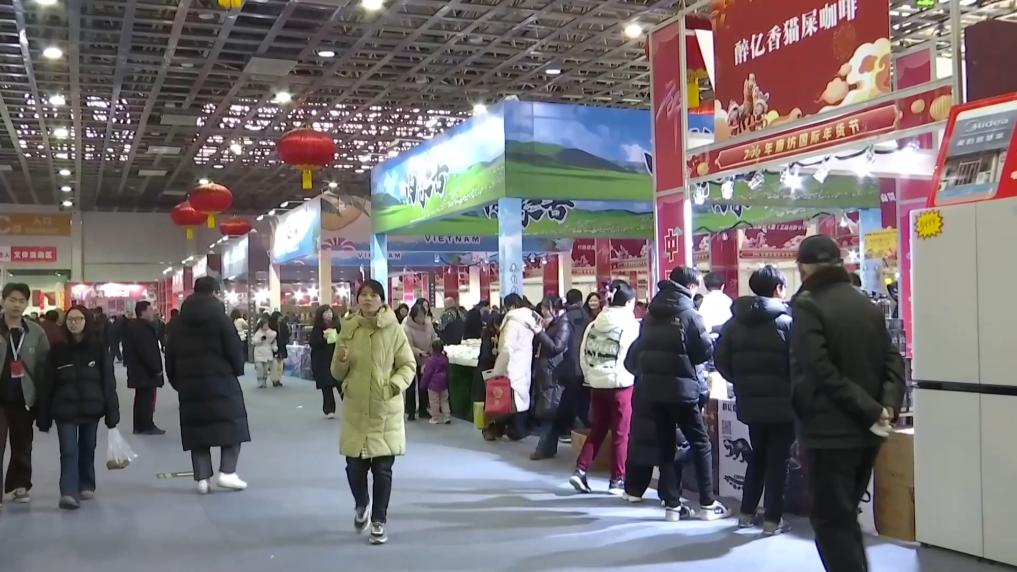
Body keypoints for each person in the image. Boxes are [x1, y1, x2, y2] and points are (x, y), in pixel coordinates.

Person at [790, 235, 905, 572]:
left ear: (803, 268)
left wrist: (869, 409)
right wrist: (886, 407)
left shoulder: (808, 305)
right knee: (844, 517)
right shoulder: (865, 304)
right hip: (867, 433)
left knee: (830, 522)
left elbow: (819, 369)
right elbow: (893, 359)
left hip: (828, 432)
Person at [625, 266, 729, 521]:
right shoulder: (690, 314)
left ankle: (672, 505)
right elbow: (702, 352)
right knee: (701, 443)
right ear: (691, 286)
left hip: (653, 390)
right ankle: (707, 503)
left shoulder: (651, 314)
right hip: (682, 391)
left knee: (666, 445)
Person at [331, 280, 416, 545]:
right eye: (363, 294)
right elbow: (337, 373)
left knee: (382, 469)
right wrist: (341, 361)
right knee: (354, 468)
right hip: (356, 409)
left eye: (373, 295)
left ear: (382, 300)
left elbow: (408, 365)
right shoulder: (349, 329)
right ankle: (361, 504)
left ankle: (379, 520)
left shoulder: (394, 330)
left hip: (384, 410)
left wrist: (393, 386)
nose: (367, 299)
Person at [714, 265, 794, 535]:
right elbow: (799, 364)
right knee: (778, 462)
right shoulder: (787, 323)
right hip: (783, 404)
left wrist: (741, 381)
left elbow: (720, 359)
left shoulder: (734, 323)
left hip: (749, 402)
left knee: (757, 456)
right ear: (778, 289)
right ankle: (772, 520)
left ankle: (746, 513)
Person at [165, 277, 250, 495]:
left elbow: (170, 354)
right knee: (232, 425)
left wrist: (178, 381)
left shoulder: (179, 323)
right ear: (214, 292)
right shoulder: (221, 318)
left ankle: (202, 478)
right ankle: (227, 472)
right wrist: (236, 370)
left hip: (190, 384)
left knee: (197, 431)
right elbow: (234, 348)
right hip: (221, 380)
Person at [36, 305, 119, 510]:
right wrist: (43, 415)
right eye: (70, 320)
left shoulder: (98, 349)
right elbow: (47, 383)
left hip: (91, 408)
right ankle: (68, 492)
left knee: (87, 448)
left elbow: (108, 382)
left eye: (78, 319)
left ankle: (86, 483)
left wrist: (112, 413)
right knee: (68, 451)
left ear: (86, 321)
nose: (74, 323)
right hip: (64, 410)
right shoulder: (57, 350)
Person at [569, 280, 639, 495]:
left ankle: (580, 469)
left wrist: (590, 376)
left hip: (596, 383)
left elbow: (583, 352)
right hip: (620, 384)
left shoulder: (594, 324)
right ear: (628, 302)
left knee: (598, 428)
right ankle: (617, 479)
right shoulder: (630, 325)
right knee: (621, 433)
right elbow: (632, 355)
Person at [0, 283, 51, 506]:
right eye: (12, 300)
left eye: (21, 301)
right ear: (3, 300)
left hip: (24, 399)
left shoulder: (36, 332)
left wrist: (44, 400)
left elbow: (44, 367)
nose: (16, 305)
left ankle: (18, 485)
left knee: (22, 445)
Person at [485, 294, 541, 442]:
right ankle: (516, 429)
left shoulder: (512, 323)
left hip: (511, 367)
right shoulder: (531, 319)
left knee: (504, 400)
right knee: (519, 400)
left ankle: (498, 429)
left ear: (510, 306)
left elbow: (506, 349)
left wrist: (497, 371)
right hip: (525, 366)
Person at [530, 295, 572, 460]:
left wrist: (540, 333)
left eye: (545, 308)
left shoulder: (563, 324)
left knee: (549, 410)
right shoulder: (555, 323)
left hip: (553, 372)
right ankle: (548, 447)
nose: (543, 311)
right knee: (549, 409)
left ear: (553, 309)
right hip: (547, 371)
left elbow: (557, 347)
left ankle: (543, 448)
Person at [123, 301, 166, 436]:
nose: (153, 312)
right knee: (147, 398)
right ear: (142, 312)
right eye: (150, 309)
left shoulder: (134, 326)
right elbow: (147, 351)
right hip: (145, 371)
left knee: (140, 397)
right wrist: (156, 369)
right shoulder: (142, 328)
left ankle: (139, 425)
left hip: (137, 369)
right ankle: (147, 425)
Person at [557, 289, 590, 444]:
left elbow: (560, 344)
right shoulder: (588, 318)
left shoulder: (564, 318)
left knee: (568, 400)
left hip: (569, 363)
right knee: (582, 400)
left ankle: (567, 430)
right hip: (584, 364)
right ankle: (583, 429)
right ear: (581, 301)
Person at [403, 302, 437, 421]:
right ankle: (411, 411)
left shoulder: (428, 324)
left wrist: (436, 347)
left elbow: (433, 337)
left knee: (424, 384)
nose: (422, 318)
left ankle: (423, 409)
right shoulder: (406, 327)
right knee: (411, 386)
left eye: (424, 315)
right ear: (414, 316)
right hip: (411, 358)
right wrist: (419, 352)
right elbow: (408, 345)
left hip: (426, 359)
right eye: (419, 316)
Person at [309, 305, 340, 419]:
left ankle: (350, 407)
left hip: (337, 358)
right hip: (322, 361)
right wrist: (324, 338)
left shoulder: (338, 326)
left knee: (342, 384)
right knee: (326, 386)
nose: (329, 314)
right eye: (326, 312)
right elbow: (313, 343)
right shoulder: (317, 328)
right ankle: (329, 409)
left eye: (330, 312)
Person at [420, 339, 451, 425]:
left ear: (432, 349)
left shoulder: (431, 360)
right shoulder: (445, 358)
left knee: (434, 402)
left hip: (433, 384)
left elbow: (427, 373)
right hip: (443, 383)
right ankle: (447, 416)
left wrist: (423, 384)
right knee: (444, 400)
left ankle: (435, 418)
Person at [251, 319, 277, 389]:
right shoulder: (257, 333)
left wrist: (274, 347)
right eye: (265, 325)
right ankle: (260, 382)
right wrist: (260, 340)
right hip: (259, 353)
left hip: (267, 353)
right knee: (260, 368)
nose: (266, 326)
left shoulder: (271, 334)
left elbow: (273, 342)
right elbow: (253, 342)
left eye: (267, 325)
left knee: (265, 369)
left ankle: (264, 381)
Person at [268, 311, 289, 387]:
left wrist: (286, 340)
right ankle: (274, 379)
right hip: (273, 346)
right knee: (274, 365)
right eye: (279, 317)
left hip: (282, 346)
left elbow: (287, 334)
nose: (281, 318)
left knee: (280, 365)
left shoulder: (283, 325)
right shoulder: (270, 325)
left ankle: (278, 379)